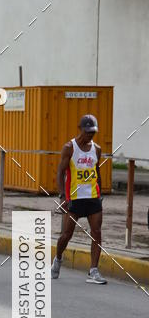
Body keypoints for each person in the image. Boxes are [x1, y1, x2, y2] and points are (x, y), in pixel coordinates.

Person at [51, 113, 107, 284]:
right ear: (80, 129)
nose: (90, 135)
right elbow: (60, 172)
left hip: (93, 197)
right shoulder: (69, 147)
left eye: (93, 132)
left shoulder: (97, 149)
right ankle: (58, 259)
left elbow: (97, 171)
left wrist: (100, 193)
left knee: (96, 233)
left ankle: (93, 270)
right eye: (88, 131)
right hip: (74, 198)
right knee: (67, 234)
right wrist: (62, 196)